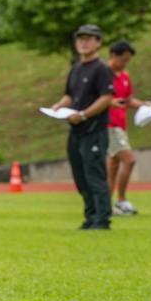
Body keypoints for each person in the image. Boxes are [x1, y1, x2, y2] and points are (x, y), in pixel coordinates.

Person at [49, 24, 114, 230]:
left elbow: (106, 97)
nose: (83, 43)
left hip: (93, 129)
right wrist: (59, 105)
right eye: (80, 38)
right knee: (80, 175)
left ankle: (102, 218)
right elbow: (70, 95)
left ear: (98, 42)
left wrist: (84, 114)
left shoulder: (101, 69)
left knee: (94, 174)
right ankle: (90, 215)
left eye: (89, 38)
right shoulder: (76, 68)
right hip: (75, 129)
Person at [106, 41, 151, 216]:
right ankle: (121, 200)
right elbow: (98, 98)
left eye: (128, 61)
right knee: (129, 160)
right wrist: (110, 103)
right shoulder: (103, 74)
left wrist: (143, 104)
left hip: (120, 125)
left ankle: (105, 204)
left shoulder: (125, 76)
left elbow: (128, 99)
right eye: (123, 60)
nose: (125, 64)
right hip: (108, 124)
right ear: (113, 55)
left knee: (113, 166)